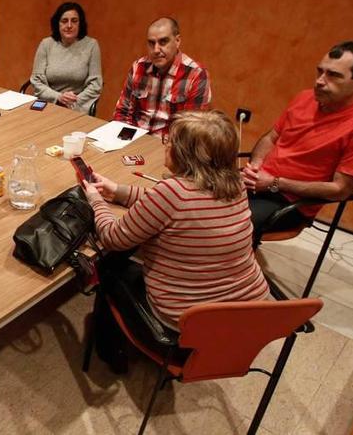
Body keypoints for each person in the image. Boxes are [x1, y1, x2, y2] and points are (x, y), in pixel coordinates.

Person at [81, 110, 268, 371]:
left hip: (187, 326)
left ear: (185, 155)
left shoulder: (172, 193)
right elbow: (177, 204)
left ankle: (111, 353)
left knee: (110, 264)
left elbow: (113, 237)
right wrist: (120, 192)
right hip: (247, 317)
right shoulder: (235, 184)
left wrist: (95, 200)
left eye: (169, 142)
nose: (165, 146)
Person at [242, 41, 353, 240]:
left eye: (333, 75)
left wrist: (274, 183)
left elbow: (340, 190)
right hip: (259, 183)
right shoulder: (305, 98)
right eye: (320, 71)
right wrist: (255, 166)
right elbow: (271, 138)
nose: (320, 81)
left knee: (228, 223)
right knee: (190, 201)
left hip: (289, 203)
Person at [113, 17, 211, 135]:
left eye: (163, 42)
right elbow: (122, 112)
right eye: (151, 43)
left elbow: (192, 131)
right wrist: (123, 142)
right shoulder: (138, 67)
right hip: (135, 139)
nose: (156, 50)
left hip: (170, 145)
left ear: (177, 41)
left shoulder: (196, 74)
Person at [29, 1, 102, 115]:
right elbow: (36, 80)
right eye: (64, 21)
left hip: (78, 105)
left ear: (80, 24)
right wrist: (59, 97)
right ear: (57, 24)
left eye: (74, 21)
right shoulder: (46, 44)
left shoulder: (91, 45)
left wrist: (72, 101)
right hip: (49, 103)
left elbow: (95, 84)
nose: (69, 25)